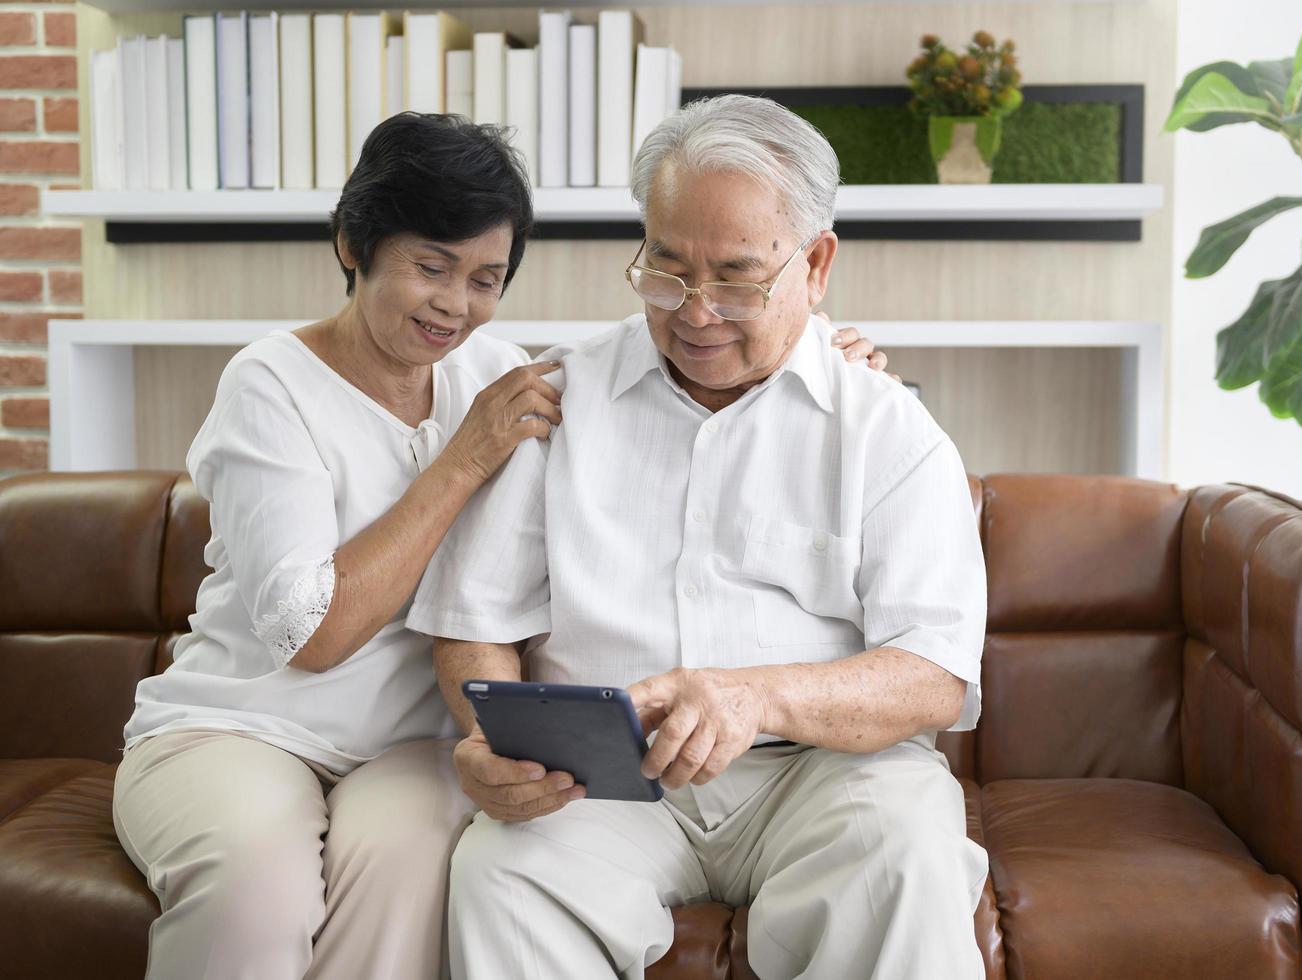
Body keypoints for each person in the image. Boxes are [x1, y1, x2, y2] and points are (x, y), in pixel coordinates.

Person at [112, 110, 899, 980]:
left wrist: (827, 352)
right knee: (256, 883)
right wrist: (465, 456)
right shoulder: (271, 384)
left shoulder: (495, 371)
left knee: (412, 874)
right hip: (247, 728)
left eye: (486, 277)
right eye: (430, 267)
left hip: (406, 752)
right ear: (352, 243)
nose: (455, 303)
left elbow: (739, 349)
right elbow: (313, 634)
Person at [407, 95, 989, 980]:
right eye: (666, 270)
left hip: (823, 779)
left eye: (736, 278)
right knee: (501, 871)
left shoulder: (885, 429)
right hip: (603, 781)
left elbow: (932, 677)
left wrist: (756, 697)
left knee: (906, 847)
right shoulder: (558, 397)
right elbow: (474, 618)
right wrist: (490, 738)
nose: (695, 311)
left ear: (816, 263)